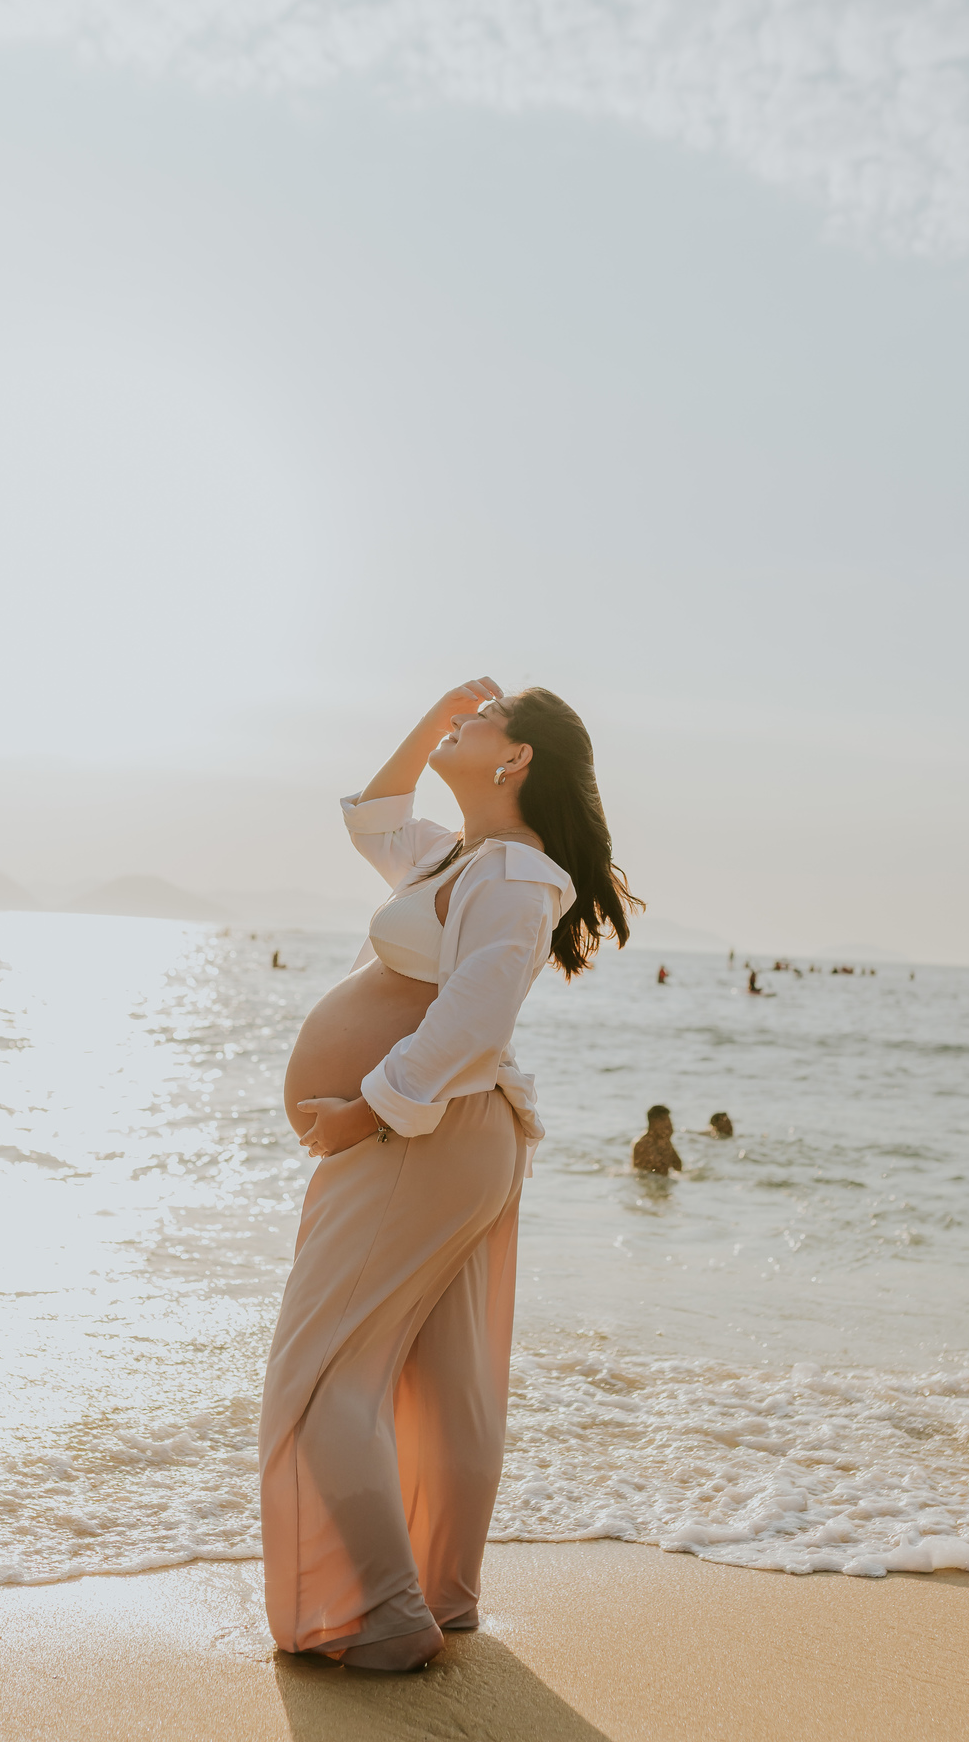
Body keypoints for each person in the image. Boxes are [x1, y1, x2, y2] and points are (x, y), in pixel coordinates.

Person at [258, 678, 641, 1672]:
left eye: (481, 726)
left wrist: (368, 1110)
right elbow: (373, 816)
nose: (462, 730)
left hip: (424, 1136)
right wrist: (435, 721)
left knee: (321, 1375)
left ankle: (387, 1614)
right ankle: (444, 1596)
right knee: (445, 1377)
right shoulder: (462, 855)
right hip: (449, 1137)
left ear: (516, 760)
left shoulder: (515, 873)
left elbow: (477, 1012)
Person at [631, 1104, 682, 1173]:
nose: (669, 1128)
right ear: (654, 1123)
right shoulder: (642, 1144)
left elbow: (678, 1166)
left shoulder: (664, 1141)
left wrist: (668, 1140)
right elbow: (657, 1168)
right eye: (666, 1125)